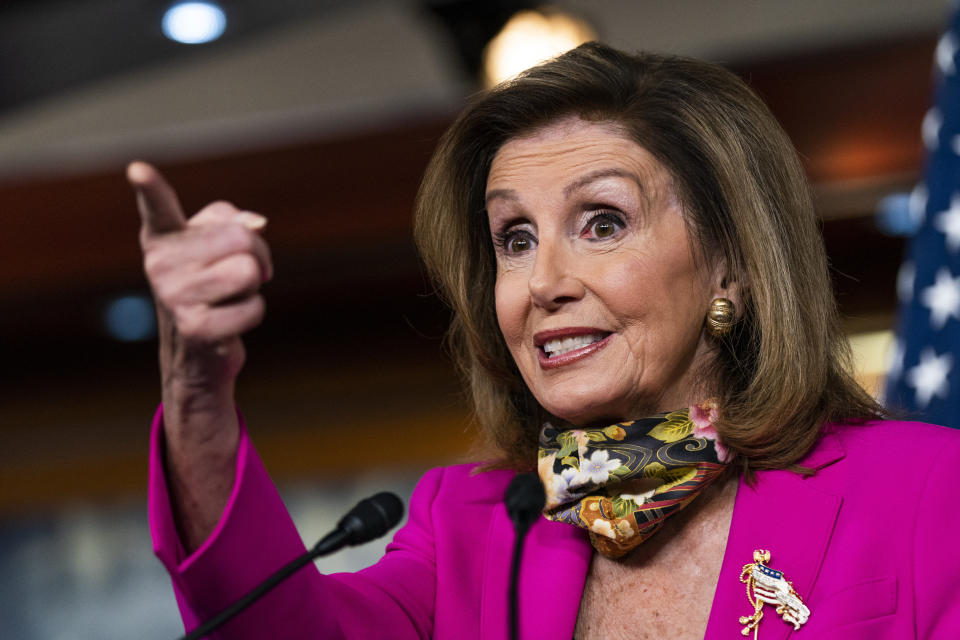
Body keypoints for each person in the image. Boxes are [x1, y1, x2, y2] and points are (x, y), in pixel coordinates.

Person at [133, 43, 960, 639]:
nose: (543, 283)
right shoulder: (469, 526)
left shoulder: (927, 493)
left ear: (731, 268)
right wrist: (197, 397)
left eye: (602, 223)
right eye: (515, 240)